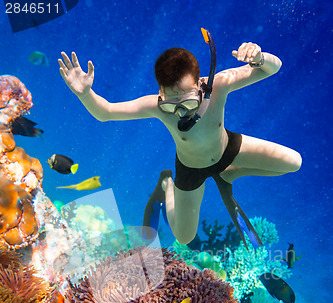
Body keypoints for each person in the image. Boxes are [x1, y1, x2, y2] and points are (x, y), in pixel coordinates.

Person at [58, 30, 301, 249]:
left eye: (189, 102)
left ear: (200, 84)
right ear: (161, 93)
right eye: (172, 104)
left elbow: (273, 68)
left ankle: (229, 171)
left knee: (294, 162)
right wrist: (86, 94)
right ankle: (167, 185)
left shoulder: (219, 85)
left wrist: (259, 58)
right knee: (184, 237)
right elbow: (106, 112)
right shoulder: (155, 106)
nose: (183, 112)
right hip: (190, 169)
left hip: (229, 150)